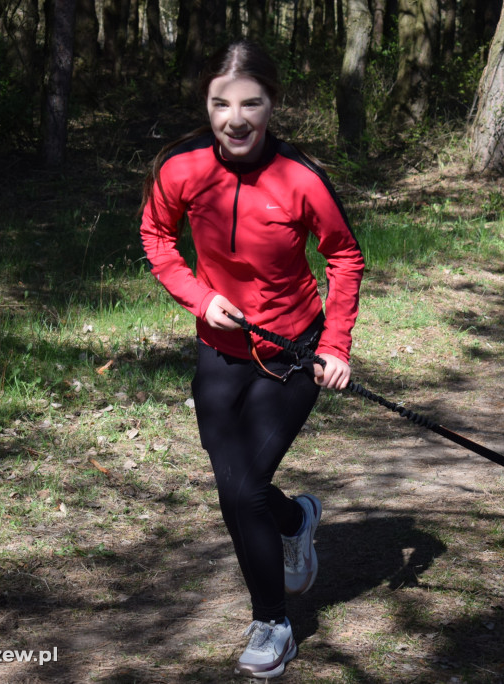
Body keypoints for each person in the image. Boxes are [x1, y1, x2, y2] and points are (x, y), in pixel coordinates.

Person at [139, 40, 365, 679]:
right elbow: (156, 237)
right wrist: (198, 297)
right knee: (241, 487)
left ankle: (273, 623)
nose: (235, 118)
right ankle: (298, 520)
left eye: (250, 103)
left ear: (272, 106)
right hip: (219, 350)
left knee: (241, 490)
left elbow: (344, 257)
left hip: (292, 352)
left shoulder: (302, 180)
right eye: (220, 104)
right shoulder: (181, 170)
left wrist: (335, 346)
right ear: (206, 106)